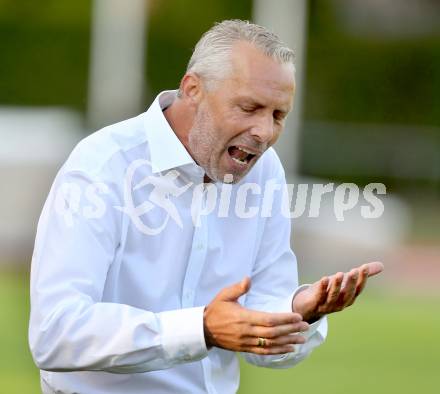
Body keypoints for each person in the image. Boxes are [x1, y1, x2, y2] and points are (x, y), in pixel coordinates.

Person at [29, 20, 383, 394]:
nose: (264, 131)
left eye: (278, 115)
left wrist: (298, 310)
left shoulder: (265, 171)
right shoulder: (103, 166)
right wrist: (201, 328)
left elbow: (263, 339)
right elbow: (56, 332)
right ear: (193, 89)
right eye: (249, 107)